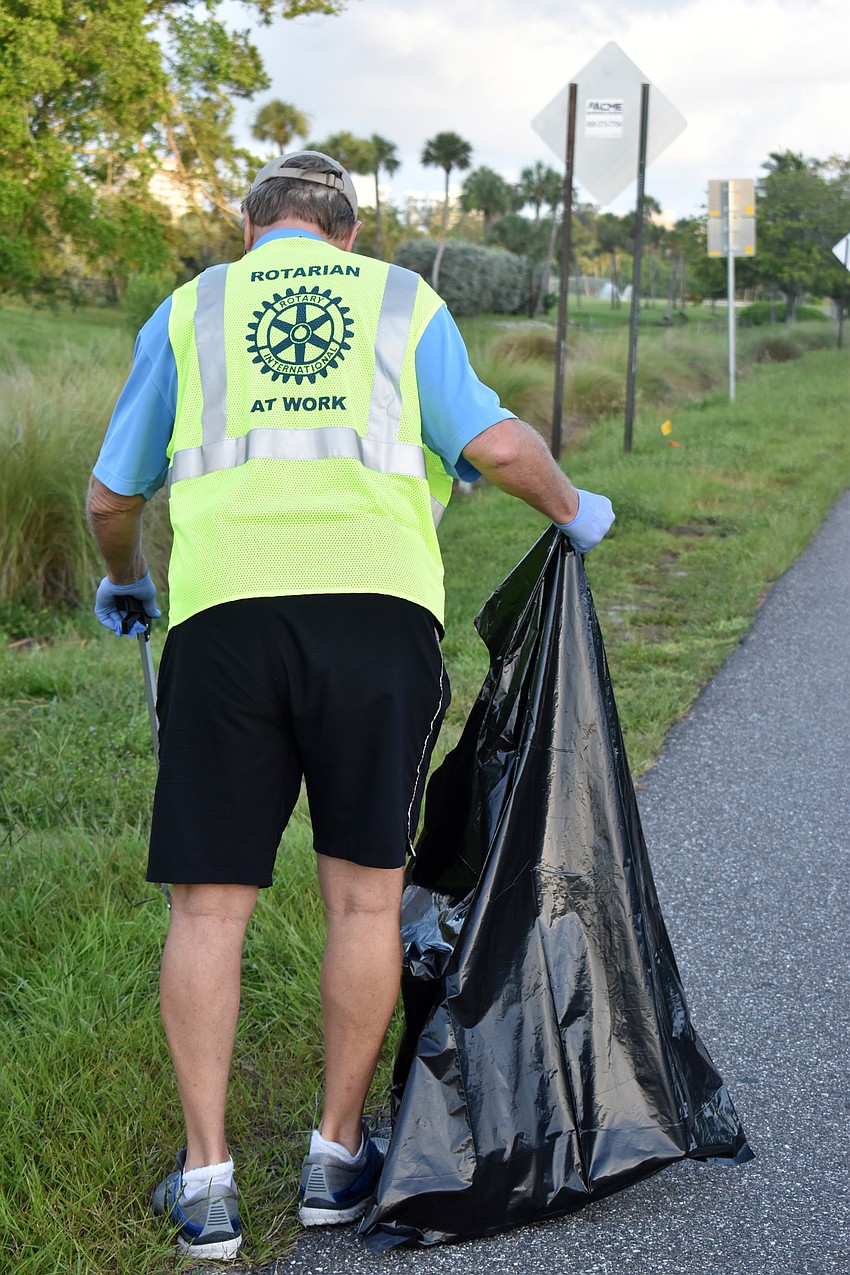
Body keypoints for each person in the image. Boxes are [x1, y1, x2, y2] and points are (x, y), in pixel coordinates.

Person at [87, 150, 614, 1262]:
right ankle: (335, 1160)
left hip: (227, 625)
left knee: (208, 908)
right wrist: (574, 511)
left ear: (249, 229)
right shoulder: (399, 300)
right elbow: (499, 447)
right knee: (366, 902)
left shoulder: (192, 309)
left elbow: (110, 493)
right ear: (348, 232)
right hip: (378, 625)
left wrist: (128, 581)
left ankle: (206, 1186)